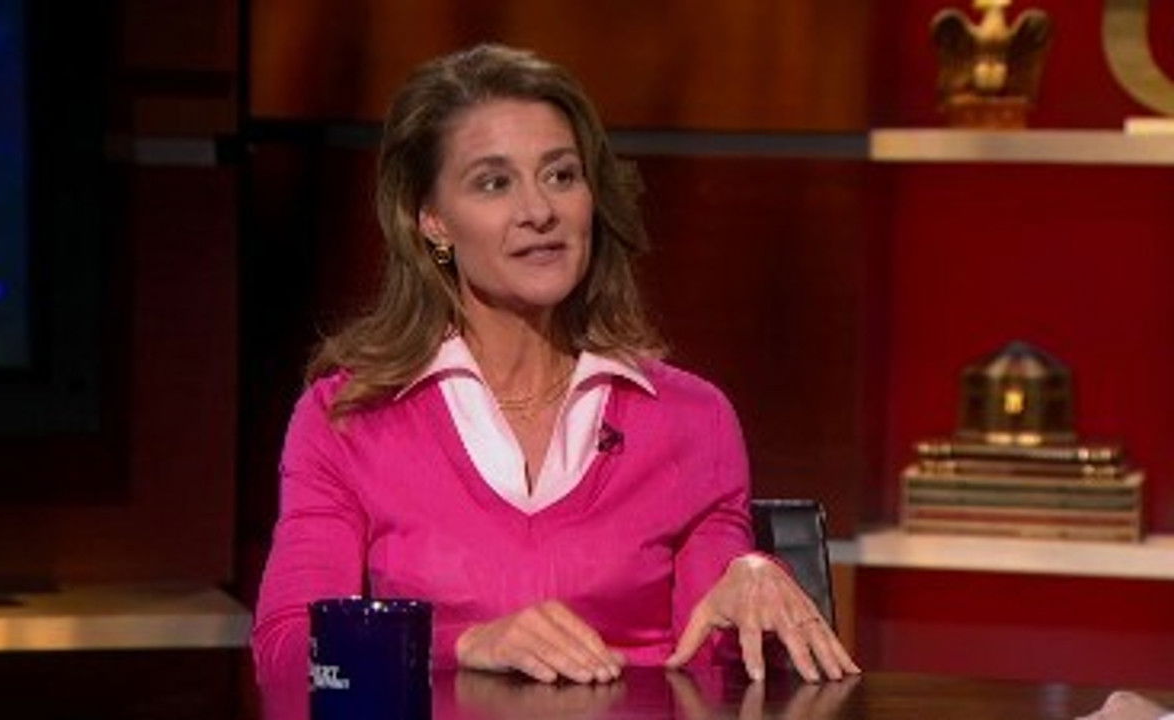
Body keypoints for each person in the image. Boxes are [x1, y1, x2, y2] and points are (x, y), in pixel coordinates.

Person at [251, 43, 859, 720]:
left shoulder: (690, 419)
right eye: (493, 183)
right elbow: (288, 651)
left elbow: (709, 669)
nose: (539, 210)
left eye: (561, 175)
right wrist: (467, 644)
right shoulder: (348, 418)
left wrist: (754, 578)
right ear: (432, 222)